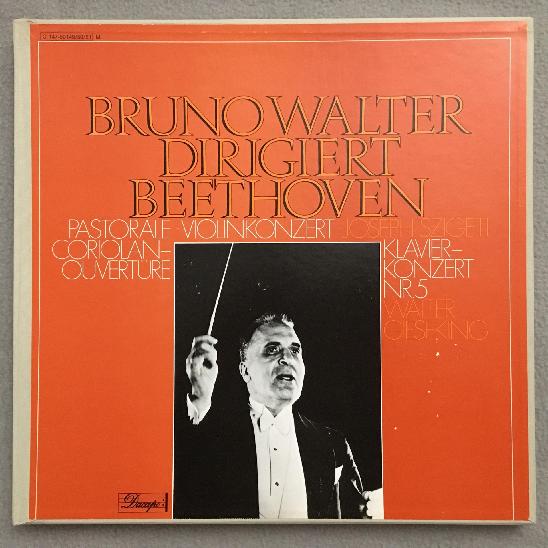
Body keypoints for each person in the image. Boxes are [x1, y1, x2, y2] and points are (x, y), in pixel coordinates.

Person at [173, 313, 382, 519]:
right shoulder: (212, 435)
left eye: (295, 350)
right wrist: (200, 396)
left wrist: (369, 513)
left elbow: (352, 517)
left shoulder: (333, 443)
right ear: (245, 371)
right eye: (272, 349)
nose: (287, 359)